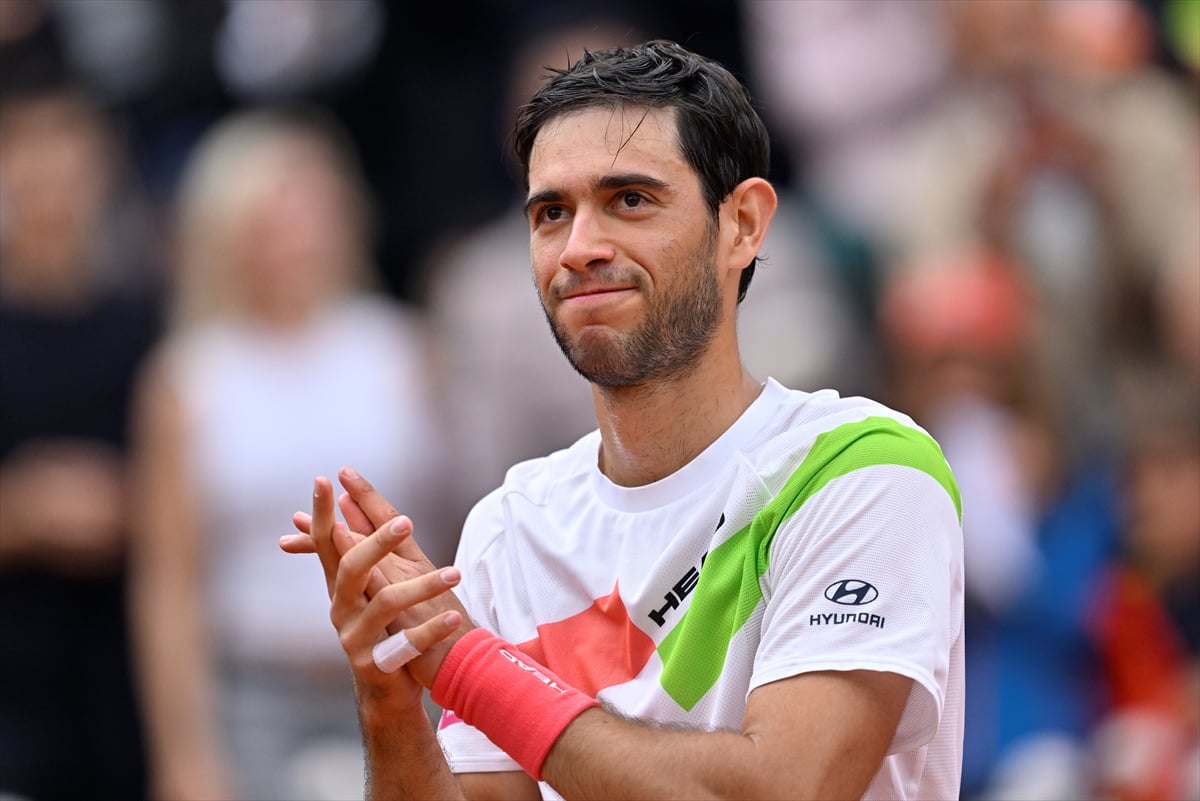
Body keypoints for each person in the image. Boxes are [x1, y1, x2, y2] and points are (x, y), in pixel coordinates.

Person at [282, 40, 964, 800]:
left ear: (743, 224)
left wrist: (467, 665)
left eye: (630, 200)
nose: (579, 248)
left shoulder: (861, 471)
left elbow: (782, 788)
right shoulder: (512, 525)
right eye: (551, 213)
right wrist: (389, 693)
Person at [129, 107, 456, 801]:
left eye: (311, 211)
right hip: (255, 692)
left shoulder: (403, 351)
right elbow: (168, 582)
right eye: (269, 218)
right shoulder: (189, 377)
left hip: (406, 665)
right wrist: (182, 755)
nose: (293, 238)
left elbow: (455, 524)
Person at [0, 82, 159, 801]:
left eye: (68, 152)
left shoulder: (151, 322)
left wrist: (139, 505)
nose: (49, 177)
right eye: (27, 151)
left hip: (123, 674)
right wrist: (22, 512)